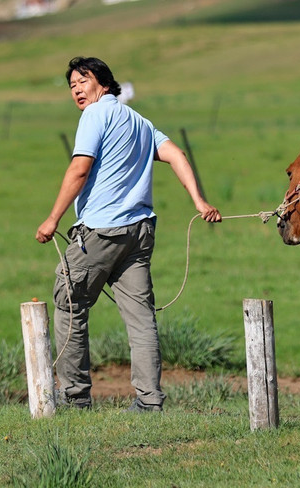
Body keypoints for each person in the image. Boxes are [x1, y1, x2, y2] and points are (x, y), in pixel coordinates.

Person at [36, 56, 221, 411]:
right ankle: (150, 401)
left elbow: (79, 168)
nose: (76, 89)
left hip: (102, 233)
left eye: (82, 81)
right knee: (141, 317)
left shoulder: (95, 115)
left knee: (69, 303)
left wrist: (52, 219)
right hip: (140, 233)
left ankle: (75, 399)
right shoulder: (140, 122)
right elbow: (177, 155)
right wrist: (198, 201)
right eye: (71, 85)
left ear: (102, 82)